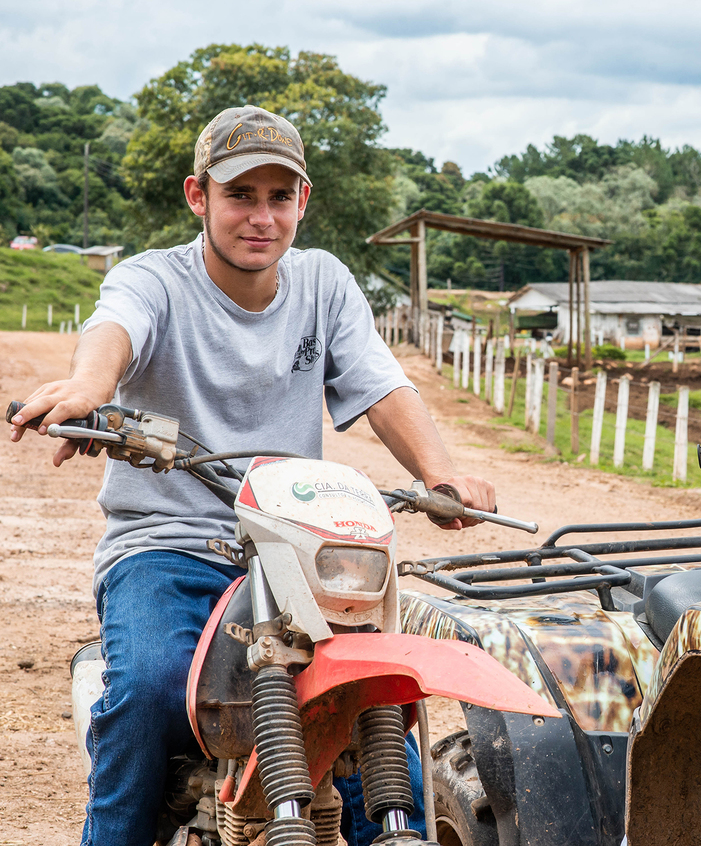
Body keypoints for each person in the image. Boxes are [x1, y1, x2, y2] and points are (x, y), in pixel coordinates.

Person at [8, 106, 485, 846]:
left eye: (279, 196)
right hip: (167, 544)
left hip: (296, 552)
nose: (261, 217)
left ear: (303, 200)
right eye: (240, 195)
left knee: (375, 712)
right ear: (199, 196)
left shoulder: (323, 283)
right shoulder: (154, 280)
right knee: (147, 694)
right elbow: (116, 330)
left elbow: (381, 386)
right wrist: (88, 391)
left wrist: (442, 476)